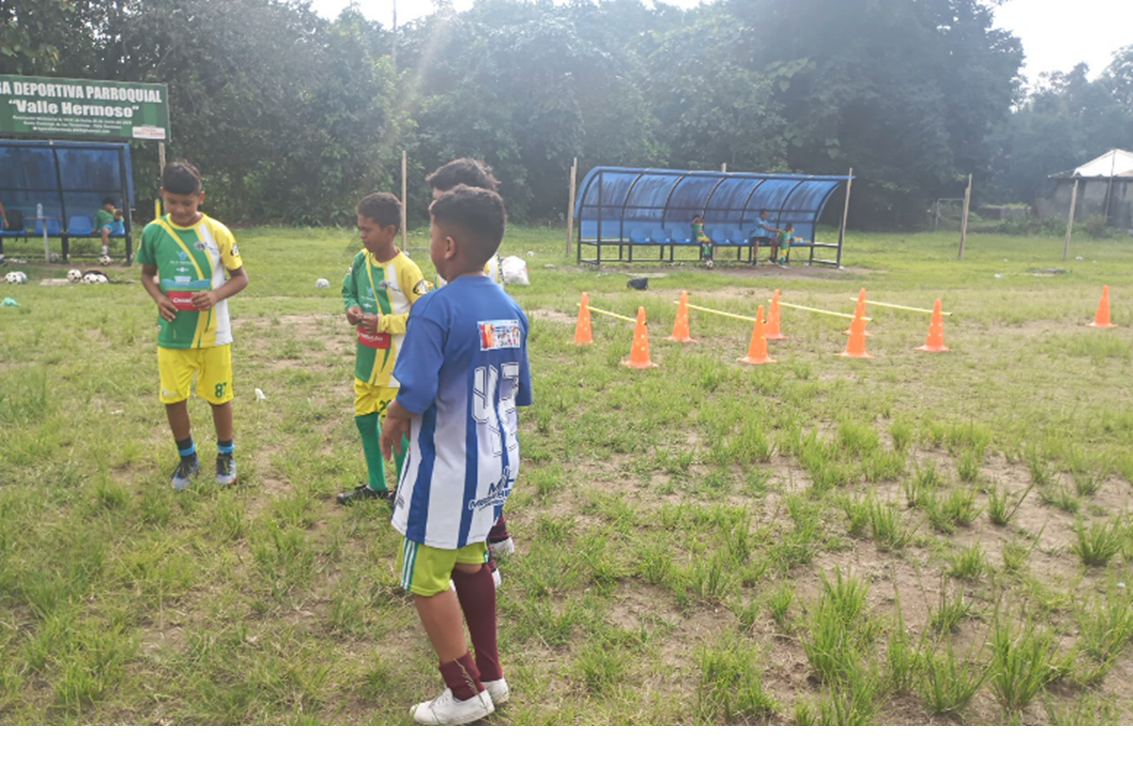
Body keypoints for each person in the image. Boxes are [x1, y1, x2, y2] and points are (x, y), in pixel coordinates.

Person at [380, 185, 531, 725]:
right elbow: (518, 391)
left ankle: (464, 693)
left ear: (446, 246)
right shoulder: (511, 309)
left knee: (424, 580)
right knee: (470, 560)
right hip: (496, 461)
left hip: (446, 469)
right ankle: (492, 676)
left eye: (430, 235)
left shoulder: (434, 309)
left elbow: (416, 392)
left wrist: (392, 416)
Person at [425, 157, 516, 566]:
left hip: (466, 383)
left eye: (442, 200)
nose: (435, 210)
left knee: (470, 463)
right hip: (472, 380)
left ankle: (482, 554)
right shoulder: (464, 256)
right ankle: (495, 536)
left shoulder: (478, 267)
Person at [137, 160, 249, 490]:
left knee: (219, 397)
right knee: (173, 398)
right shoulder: (154, 232)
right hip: (173, 334)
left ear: (201, 197)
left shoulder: (218, 232)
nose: (180, 210)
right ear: (162, 195)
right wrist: (159, 297)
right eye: (172, 202)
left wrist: (215, 295)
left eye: (187, 203)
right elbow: (146, 274)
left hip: (214, 335)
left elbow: (240, 278)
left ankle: (225, 455)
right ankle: (187, 458)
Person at [336, 192, 428, 506]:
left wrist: (384, 322)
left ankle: (403, 492)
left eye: (367, 229)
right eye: (359, 228)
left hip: (394, 369)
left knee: (397, 429)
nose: (361, 235)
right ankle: (376, 485)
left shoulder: (406, 269)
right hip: (366, 362)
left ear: (389, 231)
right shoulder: (360, 260)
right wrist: (351, 308)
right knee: (364, 421)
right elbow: (348, 291)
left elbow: (423, 315)